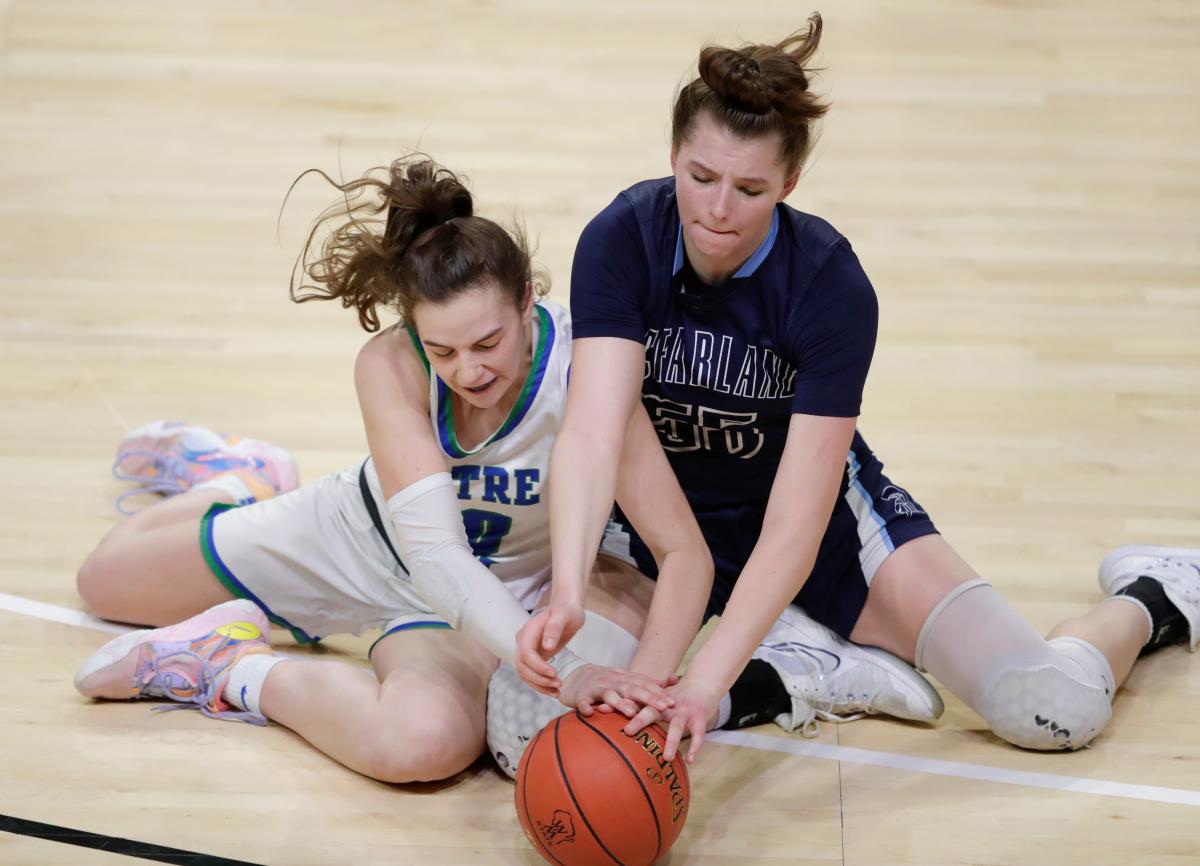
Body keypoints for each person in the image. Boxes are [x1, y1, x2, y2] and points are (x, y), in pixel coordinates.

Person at [517, 14, 1200, 763]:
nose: (717, 210)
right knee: (546, 728)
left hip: (822, 535)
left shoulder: (828, 285)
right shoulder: (622, 240)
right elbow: (591, 431)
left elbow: (795, 530)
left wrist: (705, 684)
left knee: (1049, 708)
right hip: (658, 537)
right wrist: (571, 591)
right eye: (700, 177)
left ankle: (1153, 595)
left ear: (791, 182)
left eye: (749, 189)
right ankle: (800, 664)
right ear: (672, 156)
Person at [72, 156, 712, 783]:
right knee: (102, 583)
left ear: (526, 301)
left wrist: (644, 687)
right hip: (364, 539)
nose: (469, 371)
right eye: (444, 350)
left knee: (422, 744)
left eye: (488, 343)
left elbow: (684, 551)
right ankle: (237, 475)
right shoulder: (388, 364)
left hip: (482, 596)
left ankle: (228, 665)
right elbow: (433, 552)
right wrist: (571, 671)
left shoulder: (586, 369)